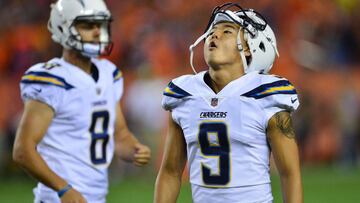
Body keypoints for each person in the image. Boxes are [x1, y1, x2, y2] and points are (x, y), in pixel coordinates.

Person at [154, 3, 303, 203]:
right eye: (211, 32)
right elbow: (171, 172)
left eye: (227, 31)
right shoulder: (184, 94)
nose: (214, 36)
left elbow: (289, 173)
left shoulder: (266, 95)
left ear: (250, 47)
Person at [12, 0, 151, 202]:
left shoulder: (108, 73)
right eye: (87, 25)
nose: (97, 32)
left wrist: (135, 149)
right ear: (63, 28)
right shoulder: (52, 80)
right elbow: (23, 151)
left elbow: (120, 136)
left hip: (96, 196)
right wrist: (62, 189)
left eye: (100, 25)